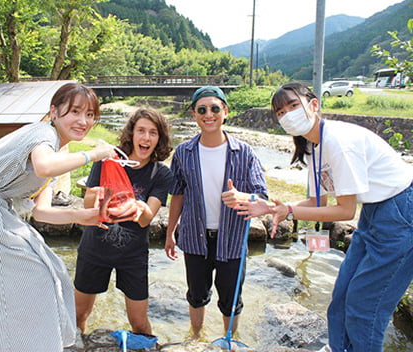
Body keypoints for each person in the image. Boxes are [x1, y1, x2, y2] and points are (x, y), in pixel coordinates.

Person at [0, 83, 129, 352]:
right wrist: (94, 154)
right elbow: (44, 166)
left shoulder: (56, 149)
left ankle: (24, 343)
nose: (83, 121)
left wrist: (83, 216)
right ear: (54, 112)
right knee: (31, 274)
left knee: (50, 271)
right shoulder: (42, 134)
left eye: (90, 114)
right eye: (75, 111)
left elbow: (40, 211)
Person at [240, 82, 413, 352]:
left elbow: (345, 211)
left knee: (366, 306)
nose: (287, 114)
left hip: (398, 211)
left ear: (314, 104)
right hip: (374, 212)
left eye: (293, 105)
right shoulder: (312, 147)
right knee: (342, 296)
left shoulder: (338, 142)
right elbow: (317, 202)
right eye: (280, 112)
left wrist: (290, 210)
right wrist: (274, 207)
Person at [165, 86, 268, 339]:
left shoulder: (244, 153)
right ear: (194, 115)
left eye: (214, 108)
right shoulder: (183, 152)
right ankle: (196, 336)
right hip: (193, 238)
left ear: (226, 112)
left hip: (232, 238)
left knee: (231, 298)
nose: (208, 114)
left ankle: (228, 340)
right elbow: (177, 195)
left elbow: (262, 197)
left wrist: (244, 198)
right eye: (202, 109)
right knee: (196, 294)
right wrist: (170, 234)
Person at [75, 108, 173, 335]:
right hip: (94, 249)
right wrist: (98, 194)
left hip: (132, 255)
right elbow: (89, 205)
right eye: (141, 131)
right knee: (79, 315)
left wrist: (138, 208)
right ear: (132, 133)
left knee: (139, 323)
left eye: (153, 133)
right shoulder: (107, 161)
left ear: (159, 139)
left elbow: (145, 219)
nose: (146, 138)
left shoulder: (161, 174)